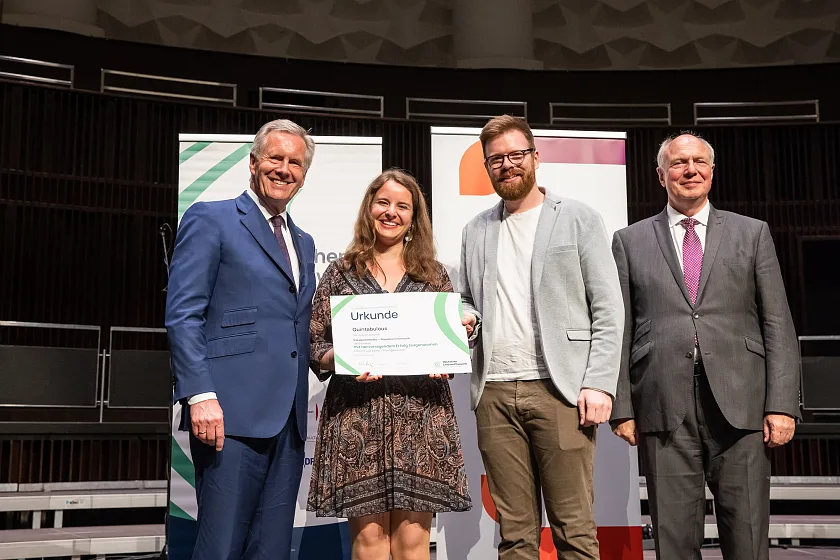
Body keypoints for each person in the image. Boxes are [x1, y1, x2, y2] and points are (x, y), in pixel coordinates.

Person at [610, 132, 800, 560]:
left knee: (747, 540)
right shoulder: (630, 240)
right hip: (663, 407)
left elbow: (777, 324)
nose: (689, 170)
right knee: (674, 545)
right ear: (661, 176)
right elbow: (620, 328)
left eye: (699, 162)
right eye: (678, 163)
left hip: (743, 407)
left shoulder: (752, 234)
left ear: (712, 172)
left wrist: (782, 404)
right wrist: (623, 406)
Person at [458, 115, 624, 559]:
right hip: (493, 393)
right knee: (515, 537)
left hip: (562, 391)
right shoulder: (475, 229)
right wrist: (466, 316)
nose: (507, 165)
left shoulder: (579, 218)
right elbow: (465, 298)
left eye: (516, 155)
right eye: (496, 159)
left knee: (575, 531)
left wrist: (599, 382)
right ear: (488, 167)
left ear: (535, 157)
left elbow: (608, 307)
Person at [165, 119, 317, 560]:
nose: (284, 169)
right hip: (227, 415)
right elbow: (183, 314)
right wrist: (199, 394)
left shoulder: (303, 242)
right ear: (253, 163)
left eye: (295, 162)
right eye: (275, 158)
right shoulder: (210, 218)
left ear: (304, 175)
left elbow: (295, 327)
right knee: (221, 547)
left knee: (270, 551)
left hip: (288, 420)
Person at [307, 168, 472, 560]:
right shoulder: (340, 272)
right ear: (369, 208)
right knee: (368, 543)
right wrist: (341, 359)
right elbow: (315, 344)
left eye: (402, 206)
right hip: (357, 421)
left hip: (422, 419)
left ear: (414, 218)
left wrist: (449, 352)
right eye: (383, 202)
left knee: (414, 542)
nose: (391, 212)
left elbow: (455, 338)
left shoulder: (433, 275)